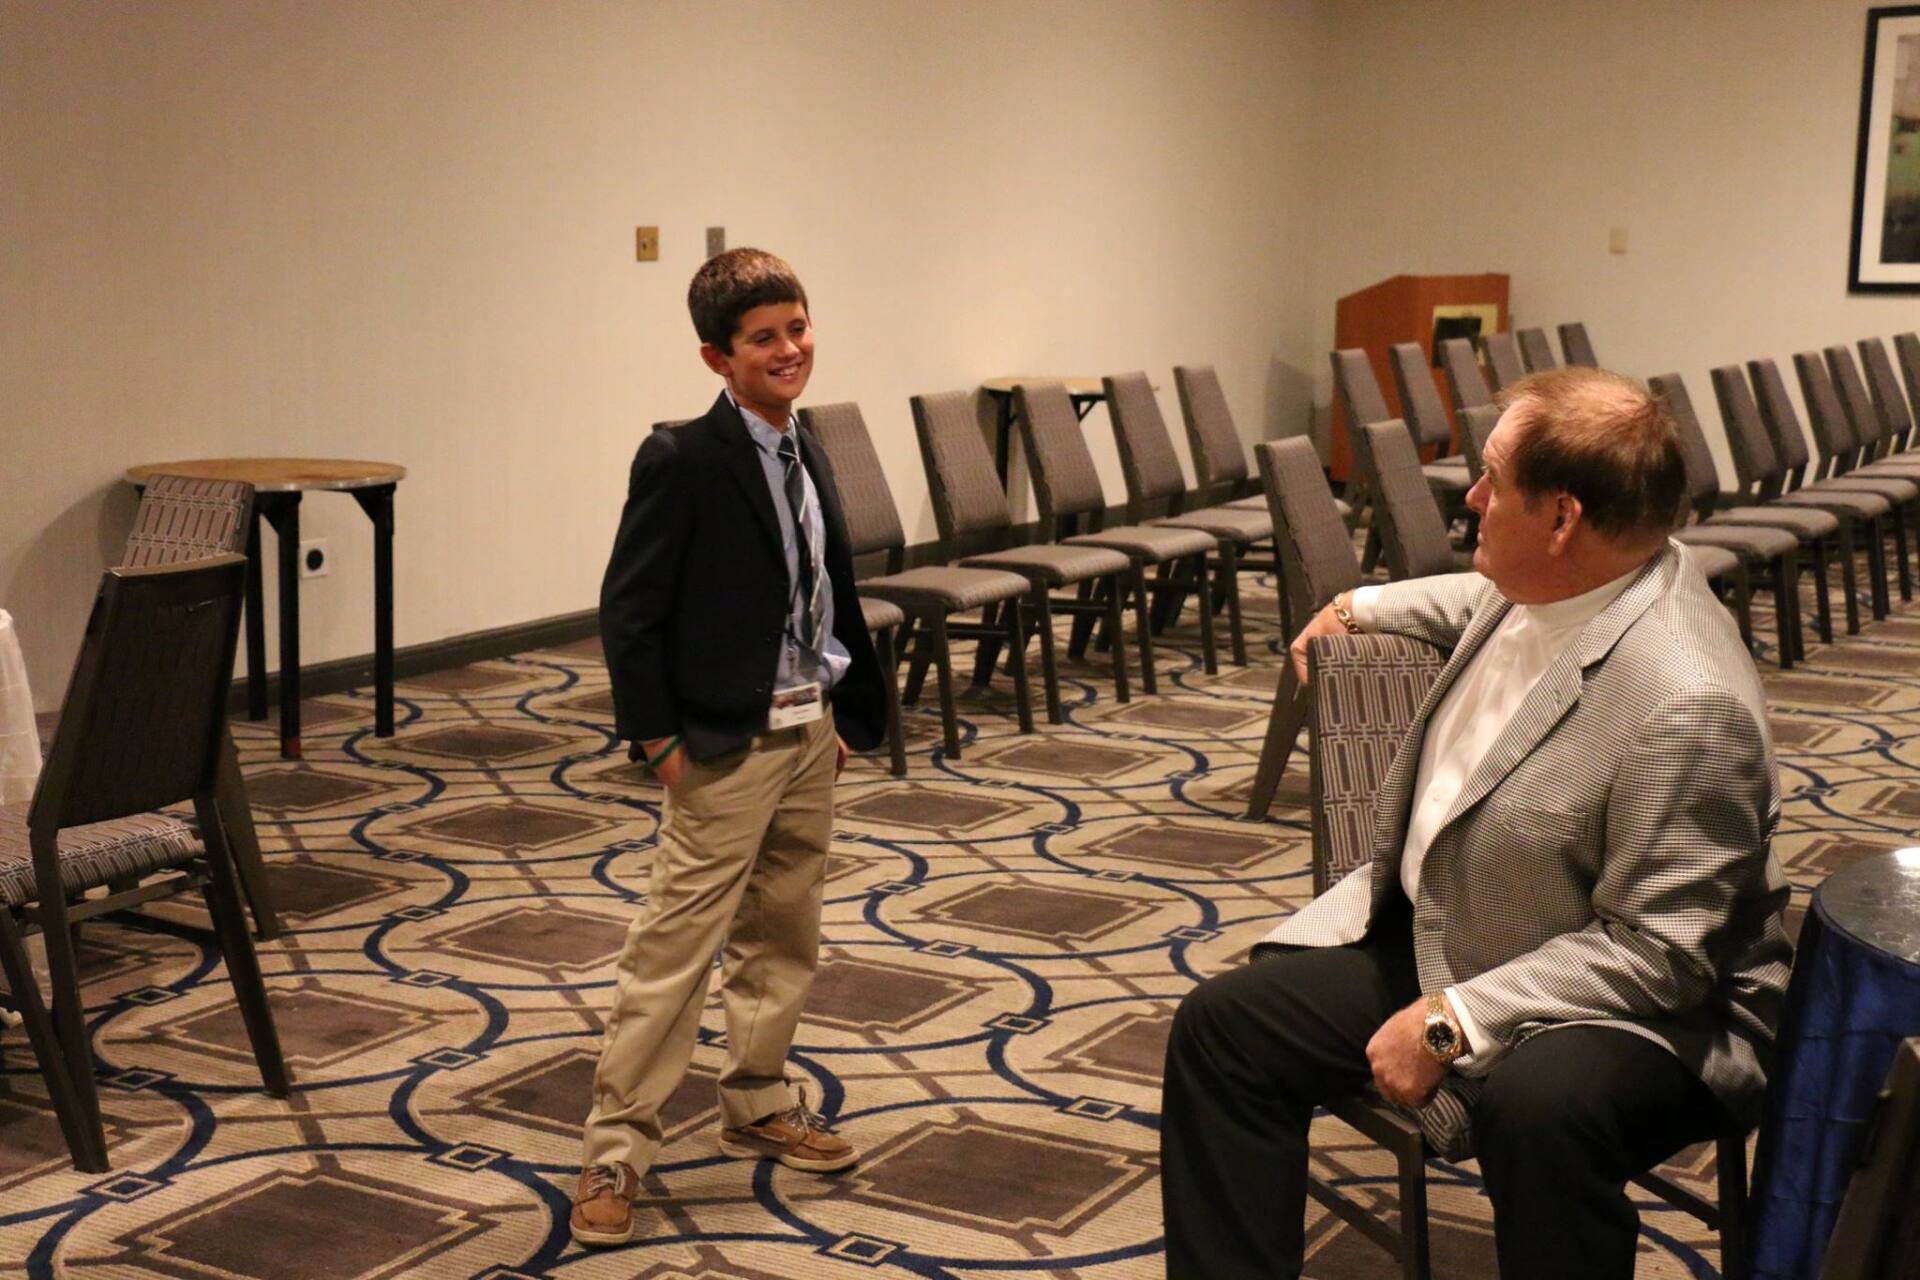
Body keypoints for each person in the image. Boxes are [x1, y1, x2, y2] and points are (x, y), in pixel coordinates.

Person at [1160, 367, 1792, 1278]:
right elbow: (1469, 598)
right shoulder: (1567, 573)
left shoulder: (1687, 702)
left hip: (1659, 1008)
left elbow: (1659, 954)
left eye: (1492, 478)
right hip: (1470, 930)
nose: (1472, 496)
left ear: (1563, 517)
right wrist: (1356, 605)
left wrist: (1452, 1020)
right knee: (1224, 1029)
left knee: (1540, 1110)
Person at [573, 247, 888, 1248]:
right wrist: (658, 739)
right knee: (674, 948)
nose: (790, 349)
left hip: (806, 728)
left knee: (784, 928)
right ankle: (616, 1147)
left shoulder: (807, 441)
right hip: (719, 741)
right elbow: (630, 609)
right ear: (718, 357)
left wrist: (833, 707)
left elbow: (821, 584)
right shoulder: (683, 458)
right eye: (763, 339)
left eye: (797, 328)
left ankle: (757, 1097)